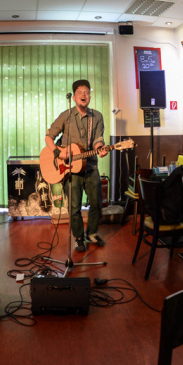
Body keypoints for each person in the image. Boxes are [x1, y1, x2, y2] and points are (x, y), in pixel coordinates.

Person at [45, 79, 107, 252]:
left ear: (90, 96)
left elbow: (98, 139)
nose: (83, 95)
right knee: (74, 207)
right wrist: (57, 152)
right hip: (70, 169)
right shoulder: (66, 115)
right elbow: (49, 137)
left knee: (97, 203)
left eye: (86, 92)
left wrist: (100, 148)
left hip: (90, 166)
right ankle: (79, 238)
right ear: (73, 97)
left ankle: (92, 233)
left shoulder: (97, 116)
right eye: (80, 92)